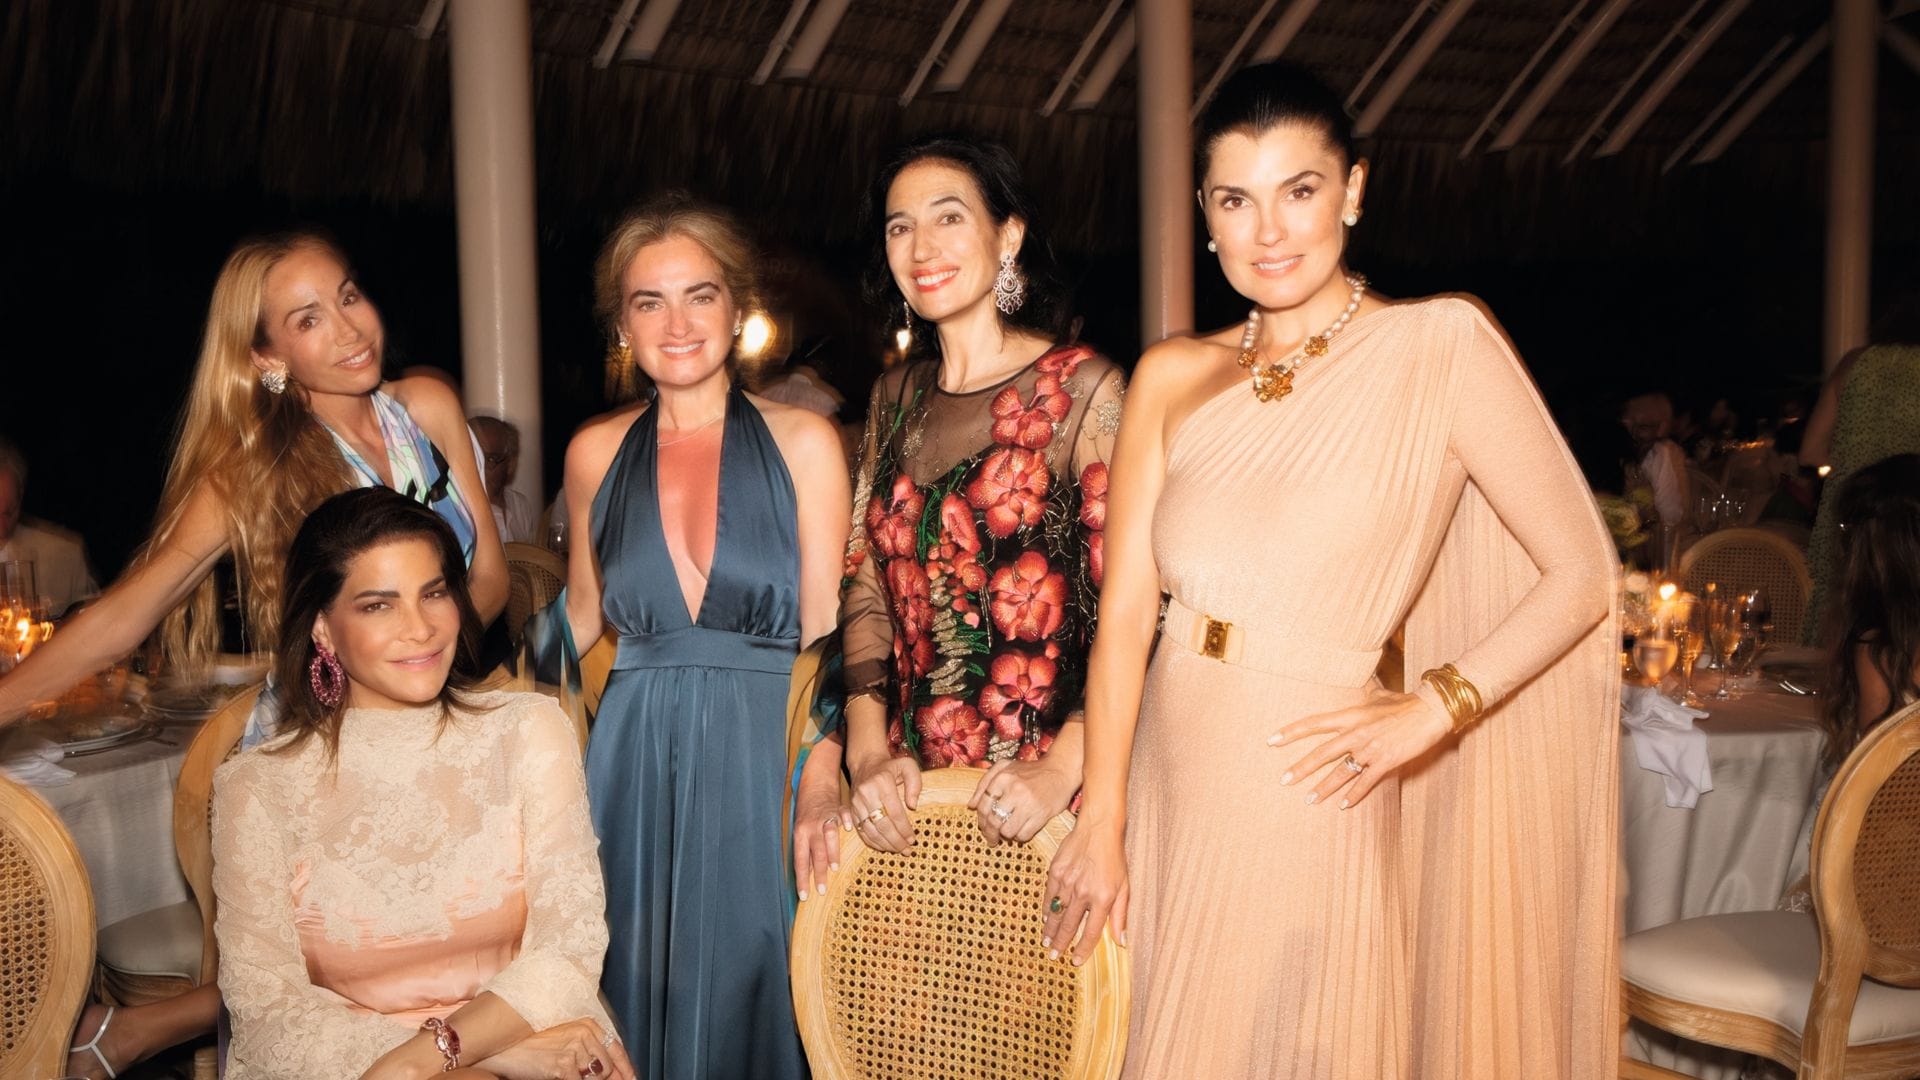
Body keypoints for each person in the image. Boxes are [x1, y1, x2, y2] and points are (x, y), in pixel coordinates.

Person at [1041, 61, 1618, 1078]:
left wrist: (1437, 705)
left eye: (1299, 191)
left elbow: (1583, 574)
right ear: (1206, 219)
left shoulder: (1440, 347)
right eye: (1237, 200)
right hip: (1170, 777)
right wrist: (1105, 814)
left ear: (1352, 189)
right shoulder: (1172, 374)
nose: (1269, 232)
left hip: (1317, 783)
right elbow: (1127, 614)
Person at [21, 230, 504, 1080]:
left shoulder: (426, 405)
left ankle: (142, 1029)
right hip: (325, 744)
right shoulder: (258, 470)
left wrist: (424, 662)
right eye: (309, 319)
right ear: (270, 357)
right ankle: (147, 1030)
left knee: (453, 972)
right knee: (367, 984)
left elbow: (490, 577)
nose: (350, 330)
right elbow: (123, 618)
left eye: (349, 295)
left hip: (443, 717)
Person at [552, 194, 848, 1078]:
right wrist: (467, 726)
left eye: (701, 295)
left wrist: (819, 776)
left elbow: (829, 624)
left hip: (767, 754)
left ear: (739, 309)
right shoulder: (593, 453)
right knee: (634, 986)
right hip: (632, 766)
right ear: (623, 326)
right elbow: (574, 622)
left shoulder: (805, 441)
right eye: (649, 302)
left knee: (759, 988)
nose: (677, 324)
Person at [796, 134, 1125, 892]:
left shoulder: (1083, 391)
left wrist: (1062, 768)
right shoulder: (893, 398)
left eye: (948, 218)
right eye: (898, 226)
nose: (921, 246)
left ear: (1007, 235)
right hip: (909, 805)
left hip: (1043, 800)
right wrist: (870, 753)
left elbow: (1132, 611)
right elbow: (868, 586)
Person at [213, 487, 627, 1080]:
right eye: (379, 605)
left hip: (542, 1033)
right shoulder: (257, 787)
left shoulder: (528, 732)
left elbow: (571, 946)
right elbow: (268, 1014)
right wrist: (481, 1055)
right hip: (355, 1065)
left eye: (433, 593)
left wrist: (424, 1059)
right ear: (324, 631)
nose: (422, 628)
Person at [1799, 344, 1920, 642]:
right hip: (1912, 519)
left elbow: (1811, 453)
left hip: (1855, 513)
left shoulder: (1854, 363)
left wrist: (1854, 462)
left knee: (1846, 617)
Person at [0, 436, 98, 616]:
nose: (2, 528)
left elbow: (96, 626)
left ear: (20, 497)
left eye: (8, 512)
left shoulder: (64, 555)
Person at [1622, 391, 1692, 544]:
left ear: (1662, 428)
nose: (1632, 434)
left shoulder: (1663, 455)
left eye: (1643, 427)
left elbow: (1671, 520)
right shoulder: (1608, 450)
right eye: (1626, 425)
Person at [469, 415, 540, 544]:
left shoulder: (520, 505)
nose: (479, 467)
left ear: (510, 464)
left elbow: (531, 561)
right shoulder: (459, 512)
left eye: (490, 459)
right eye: (473, 457)